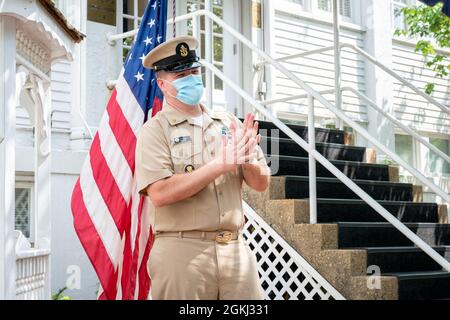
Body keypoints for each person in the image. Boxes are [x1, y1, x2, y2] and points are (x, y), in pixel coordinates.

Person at [135, 35, 271, 300]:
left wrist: (248, 160)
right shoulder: (154, 130)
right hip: (183, 254)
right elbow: (160, 193)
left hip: (235, 252)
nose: (191, 78)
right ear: (162, 85)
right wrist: (220, 165)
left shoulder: (228, 121)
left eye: (194, 71)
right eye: (181, 74)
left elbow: (261, 183)